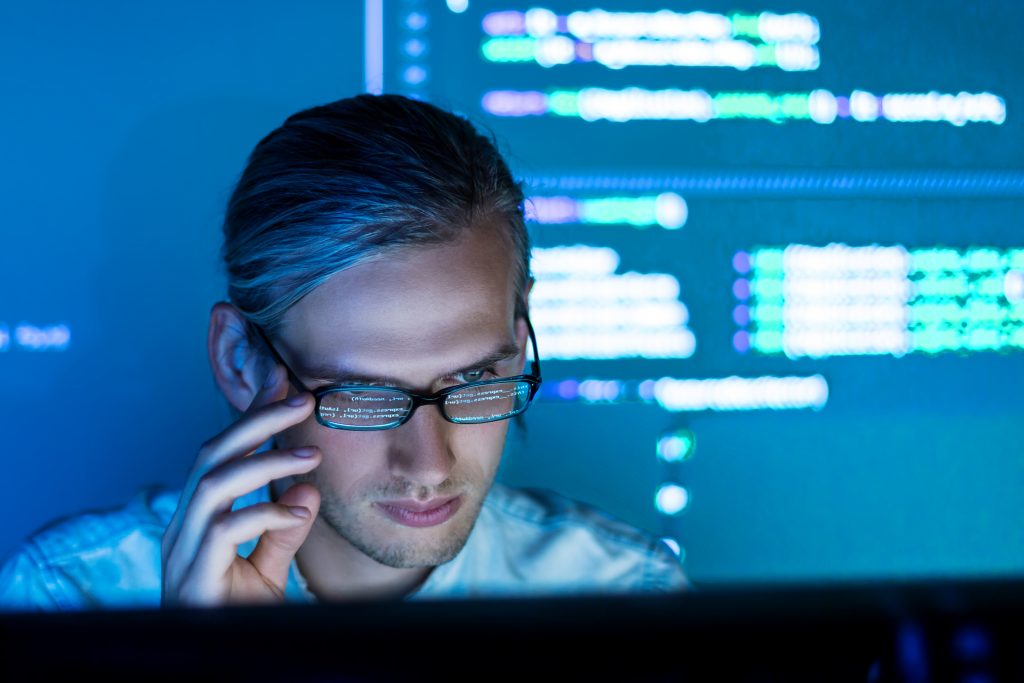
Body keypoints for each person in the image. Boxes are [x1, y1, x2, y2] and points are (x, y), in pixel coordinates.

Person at [0, 93, 691, 610]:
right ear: (243, 361)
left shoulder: (623, 591)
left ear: (521, 333)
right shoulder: (67, 598)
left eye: (477, 378)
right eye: (362, 394)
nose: (430, 463)